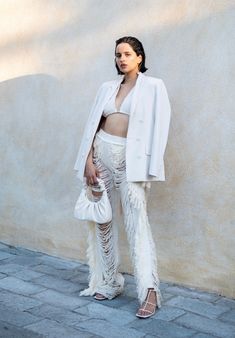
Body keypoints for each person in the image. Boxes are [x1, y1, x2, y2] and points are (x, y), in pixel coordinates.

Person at [74, 36, 171, 318]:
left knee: (136, 223)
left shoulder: (154, 86)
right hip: (101, 155)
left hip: (132, 163)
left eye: (128, 54)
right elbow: (94, 123)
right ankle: (109, 281)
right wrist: (88, 161)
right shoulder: (107, 87)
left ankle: (149, 291)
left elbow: (160, 127)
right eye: (118, 54)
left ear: (139, 57)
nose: (122, 59)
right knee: (102, 221)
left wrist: (150, 170)